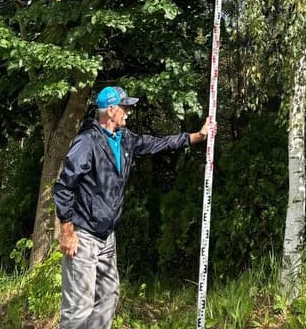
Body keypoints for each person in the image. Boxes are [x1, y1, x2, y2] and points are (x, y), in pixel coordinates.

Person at [53, 85, 211, 329]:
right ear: (111, 110)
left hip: (107, 236)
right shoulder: (87, 141)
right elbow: (64, 185)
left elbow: (157, 144)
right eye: (124, 107)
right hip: (83, 234)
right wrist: (66, 230)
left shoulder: (124, 139)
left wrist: (196, 137)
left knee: (108, 296)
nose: (128, 112)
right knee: (78, 309)